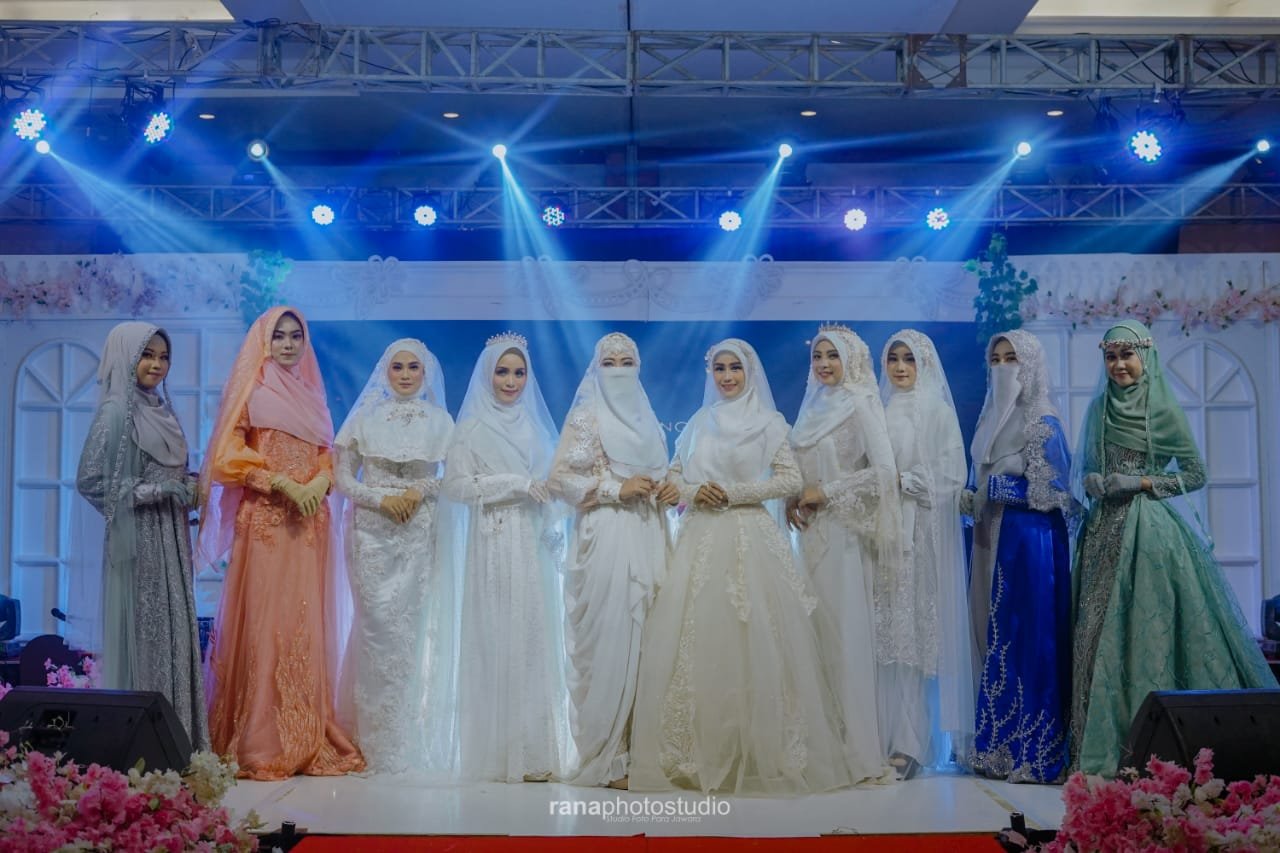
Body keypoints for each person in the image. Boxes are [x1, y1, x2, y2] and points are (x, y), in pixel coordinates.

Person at [630, 338, 864, 795]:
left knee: (757, 640)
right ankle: (704, 750)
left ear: (749, 372)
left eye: (735, 367)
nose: (727, 376)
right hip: (701, 537)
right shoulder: (698, 422)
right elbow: (675, 475)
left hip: (750, 537)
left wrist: (734, 493)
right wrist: (695, 491)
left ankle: (758, 751)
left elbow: (790, 479)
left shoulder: (770, 423)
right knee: (703, 638)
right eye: (719, 368)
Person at [1070, 321, 1277, 775]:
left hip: (1149, 536)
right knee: (1098, 636)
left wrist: (1141, 482)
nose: (1119, 365)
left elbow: (1195, 474)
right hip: (1101, 535)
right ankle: (1101, 746)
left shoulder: (1163, 409)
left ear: (1146, 357)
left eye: (1127, 355)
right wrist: (1092, 480)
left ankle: (1154, 751)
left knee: (1146, 635)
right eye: (1111, 357)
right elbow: (1086, 466)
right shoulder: (1100, 408)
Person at [197, 306, 364, 780]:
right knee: (266, 622)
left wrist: (321, 481)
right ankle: (261, 737)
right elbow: (225, 456)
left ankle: (305, 732)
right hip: (267, 521)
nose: (288, 345)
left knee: (304, 623)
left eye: (296, 336)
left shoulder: (312, 394)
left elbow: (326, 452)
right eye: (279, 336)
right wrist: (279, 482)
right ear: (264, 341)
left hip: (309, 522)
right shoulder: (251, 390)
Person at [549, 332, 674, 789]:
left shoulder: (647, 418)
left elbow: (660, 474)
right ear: (596, 370)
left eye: (627, 362)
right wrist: (613, 489)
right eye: (609, 362)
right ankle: (608, 757)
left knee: (649, 641)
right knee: (610, 638)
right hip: (606, 534)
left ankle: (643, 751)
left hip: (649, 531)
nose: (619, 370)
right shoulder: (586, 417)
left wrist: (668, 488)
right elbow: (559, 478)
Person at [75, 322, 208, 748]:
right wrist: (156, 491)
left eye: (164, 357)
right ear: (126, 356)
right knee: (148, 640)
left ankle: (179, 744)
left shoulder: (163, 410)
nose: (157, 364)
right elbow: (91, 481)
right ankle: (147, 748)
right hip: (140, 544)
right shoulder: (116, 411)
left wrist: (188, 487)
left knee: (174, 636)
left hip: (173, 541)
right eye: (147, 355)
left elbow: (166, 473)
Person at [442, 332, 567, 783]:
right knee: (495, 635)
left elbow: (550, 485)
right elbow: (455, 487)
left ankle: (532, 753)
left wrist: (548, 501)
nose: (511, 381)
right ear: (486, 374)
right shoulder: (471, 428)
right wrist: (513, 483)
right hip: (493, 540)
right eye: (502, 372)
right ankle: (495, 754)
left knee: (531, 638)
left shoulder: (536, 427)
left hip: (529, 541)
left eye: (518, 373)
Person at [333, 338, 456, 775]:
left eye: (413, 367)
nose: (405, 375)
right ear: (385, 372)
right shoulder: (364, 419)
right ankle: (369, 737)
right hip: (371, 531)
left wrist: (418, 489)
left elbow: (454, 477)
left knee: (413, 632)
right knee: (376, 628)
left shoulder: (441, 421)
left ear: (426, 373)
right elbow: (342, 478)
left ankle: (407, 735)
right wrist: (380, 498)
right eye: (397, 367)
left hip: (418, 531)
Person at [787, 325, 898, 780]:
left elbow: (884, 472)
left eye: (832, 355)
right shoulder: (811, 406)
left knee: (844, 638)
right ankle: (819, 746)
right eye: (818, 356)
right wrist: (792, 496)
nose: (824, 364)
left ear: (851, 359)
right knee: (811, 637)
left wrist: (828, 491)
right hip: (809, 535)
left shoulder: (861, 402)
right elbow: (799, 472)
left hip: (846, 539)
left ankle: (855, 751)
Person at [963, 329, 1074, 783]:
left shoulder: (1042, 419)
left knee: (1028, 639)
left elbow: (1055, 493)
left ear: (1031, 366)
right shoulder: (989, 419)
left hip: (1031, 544)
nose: (1003, 368)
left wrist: (996, 488)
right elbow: (978, 481)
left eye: (1012, 359)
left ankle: (1033, 750)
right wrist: (969, 495)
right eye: (995, 359)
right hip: (991, 539)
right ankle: (997, 747)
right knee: (994, 637)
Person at [878, 329, 975, 773]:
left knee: (914, 641)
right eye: (893, 358)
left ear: (925, 364)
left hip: (921, 538)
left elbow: (953, 476)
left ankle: (913, 743)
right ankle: (884, 737)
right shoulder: (878, 411)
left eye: (909, 359)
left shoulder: (937, 411)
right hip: (881, 537)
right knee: (885, 641)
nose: (900, 367)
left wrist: (906, 482)